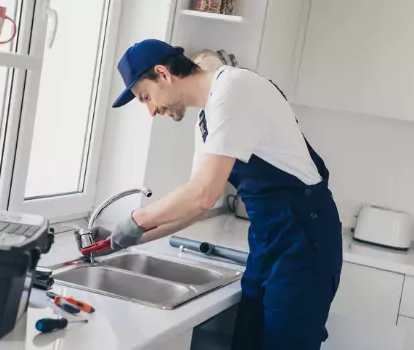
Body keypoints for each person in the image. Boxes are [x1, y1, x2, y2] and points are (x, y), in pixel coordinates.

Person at [91, 39, 343, 350]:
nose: (151, 110)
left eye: (146, 96)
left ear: (163, 74)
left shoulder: (234, 89)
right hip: (269, 240)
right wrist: (124, 239)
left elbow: (203, 195)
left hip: (305, 238)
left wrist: (136, 218)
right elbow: (194, 206)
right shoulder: (206, 119)